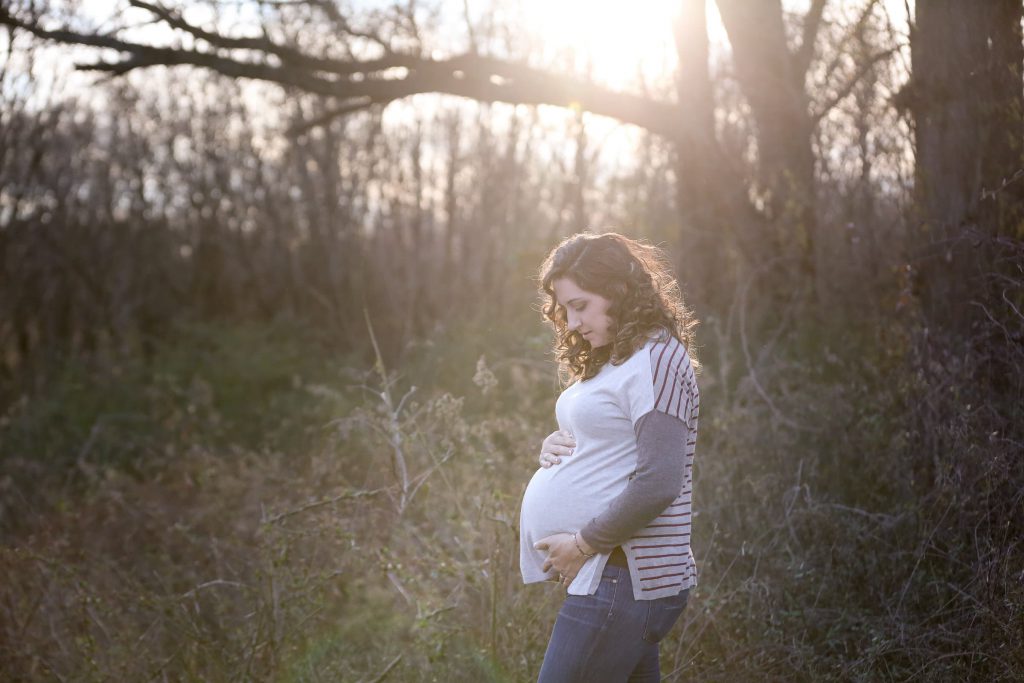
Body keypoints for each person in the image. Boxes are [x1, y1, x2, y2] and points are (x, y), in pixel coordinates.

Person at [519, 232, 701, 682]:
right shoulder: (617, 357)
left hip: (626, 575)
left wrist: (581, 544)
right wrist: (556, 445)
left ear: (618, 290)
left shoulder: (658, 359)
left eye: (580, 305)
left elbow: (659, 480)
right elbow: (610, 440)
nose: (572, 321)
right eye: (564, 309)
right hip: (612, 574)